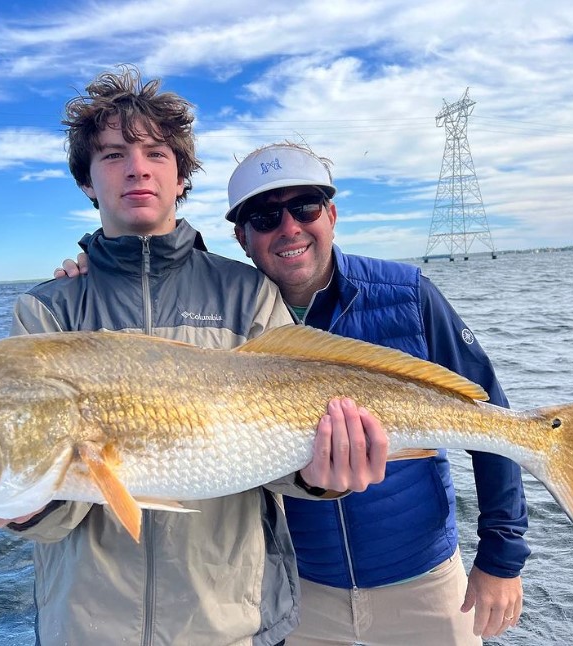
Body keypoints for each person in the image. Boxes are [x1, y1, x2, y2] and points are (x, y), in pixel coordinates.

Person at [0, 69, 388, 646]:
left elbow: (278, 461)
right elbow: (58, 504)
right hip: (85, 630)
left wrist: (325, 477)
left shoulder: (248, 293)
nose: (137, 167)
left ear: (181, 178)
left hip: (233, 626)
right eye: (112, 155)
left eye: (156, 152)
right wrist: (17, 506)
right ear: (86, 181)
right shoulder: (46, 313)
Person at [58, 142, 530, 645]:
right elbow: (157, 319)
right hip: (301, 595)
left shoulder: (409, 294)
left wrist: (501, 557)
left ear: (331, 213)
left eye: (304, 206)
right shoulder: (233, 313)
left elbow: (492, 419)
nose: (289, 227)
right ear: (241, 237)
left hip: (425, 580)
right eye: (264, 216)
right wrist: (96, 278)